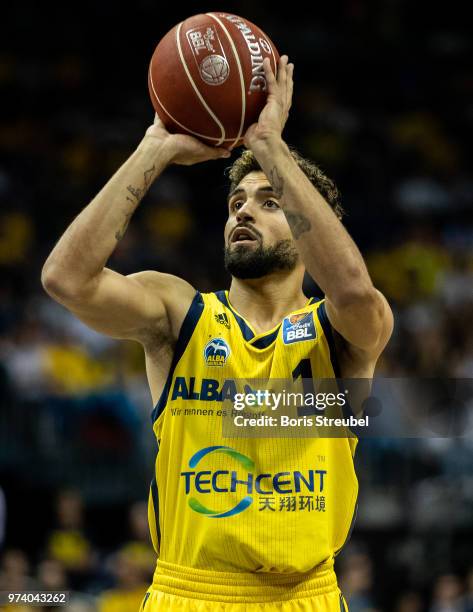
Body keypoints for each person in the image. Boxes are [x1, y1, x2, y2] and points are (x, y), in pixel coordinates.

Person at [42, 55, 393, 611]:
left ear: (309, 228)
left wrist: (271, 147)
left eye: (270, 202)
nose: (243, 213)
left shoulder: (341, 332)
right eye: (236, 203)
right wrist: (154, 149)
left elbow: (351, 290)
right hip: (190, 593)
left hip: (306, 595)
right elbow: (65, 279)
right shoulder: (178, 313)